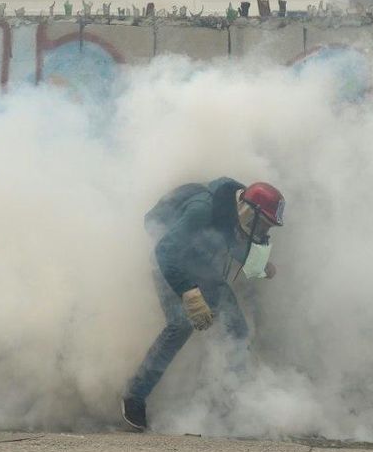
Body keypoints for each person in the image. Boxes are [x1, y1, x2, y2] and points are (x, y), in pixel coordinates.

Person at [121, 177, 285, 432]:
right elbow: (164, 251)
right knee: (180, 325)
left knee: (237, 329)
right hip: (170, 264)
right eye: (262, 225)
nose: (263, 232)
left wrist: (259, 265)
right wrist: (188, 292)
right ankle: (134, 396)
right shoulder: (203, 210)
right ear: (248, 212)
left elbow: (233, 245)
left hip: (200, 265)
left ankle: (233, 403)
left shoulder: (234, 218)